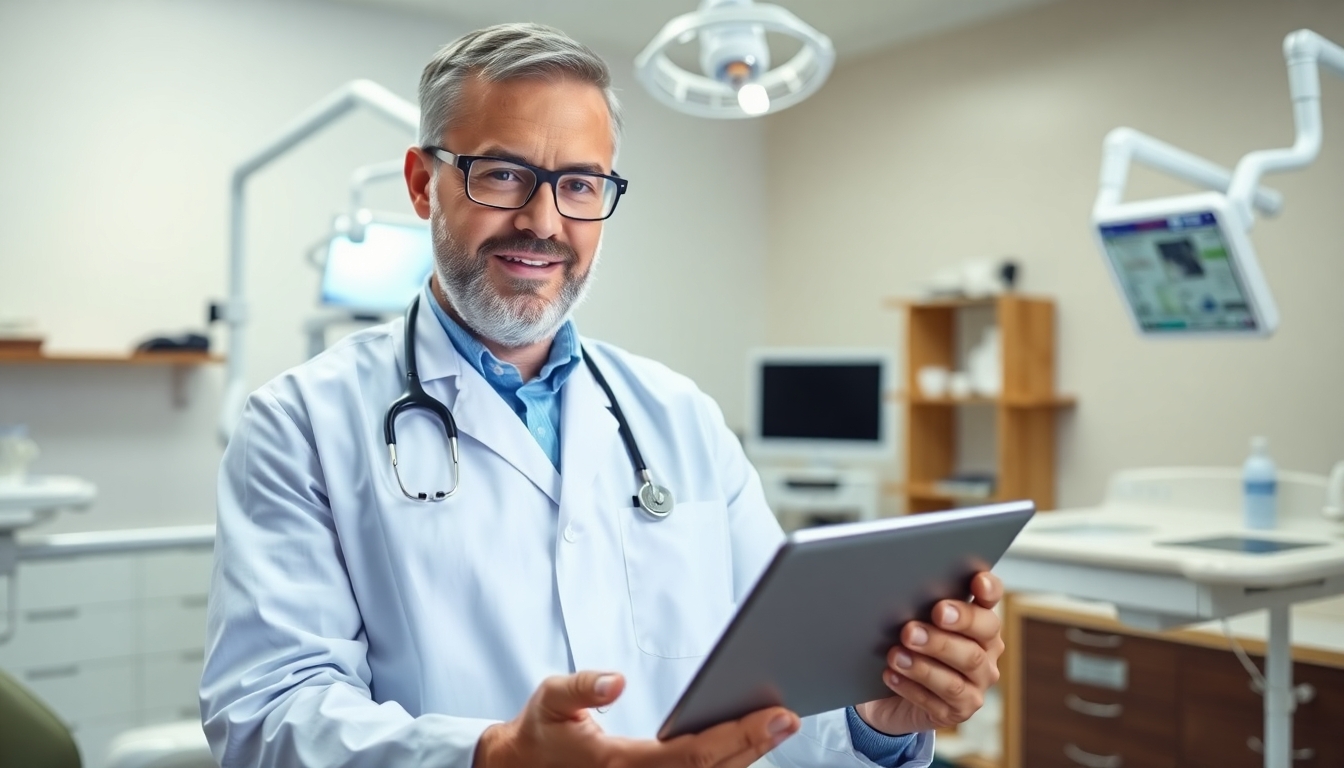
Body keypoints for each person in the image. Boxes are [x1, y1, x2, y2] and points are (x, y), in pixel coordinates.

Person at [200, 23, 1005, 768]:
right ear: (422, 184)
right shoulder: (300, 424)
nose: (545, 222)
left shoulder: (680, 418)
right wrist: (493, 755)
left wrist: (879, 714)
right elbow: (266, 713)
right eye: (504, 174)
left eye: (580, 184)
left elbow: (777, 700)